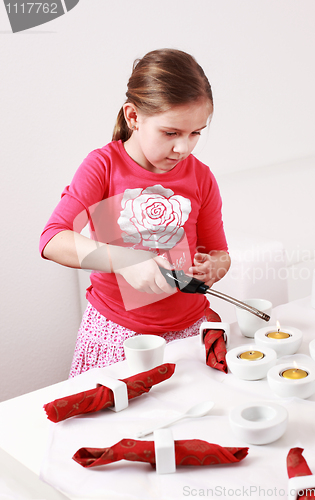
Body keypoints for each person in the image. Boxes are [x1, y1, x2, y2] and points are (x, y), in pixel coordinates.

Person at [40, 48, 230, 377]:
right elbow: (52, 240)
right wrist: (127, 261)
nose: (183, 148)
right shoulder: (103, 167)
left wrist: (216, 266)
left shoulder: (201, 177)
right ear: (133, 117)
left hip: (189, 335)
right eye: (171, 133)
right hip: (119, 337)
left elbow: (220, 253)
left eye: (195, 133)